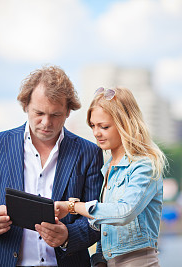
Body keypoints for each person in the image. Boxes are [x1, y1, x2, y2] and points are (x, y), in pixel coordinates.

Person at [0, 65, 104, 267]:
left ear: (69, 111)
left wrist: (69, 235)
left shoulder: (89, 152)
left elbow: (98, 218)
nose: (46, 122)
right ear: (26, 105)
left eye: (55, 114)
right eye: (39, 113)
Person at [55, 87, 167, 267]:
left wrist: (73, 206)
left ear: (125, 124)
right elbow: (106, 223)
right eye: (92, 126)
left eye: (104, 126)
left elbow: (124, 212)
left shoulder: (145, 165)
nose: (96, 133)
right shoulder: (106, 168)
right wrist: (99, 260)